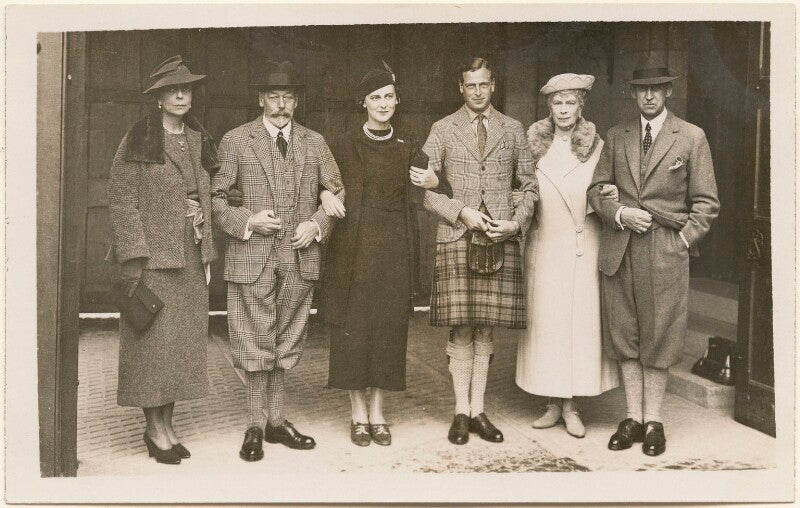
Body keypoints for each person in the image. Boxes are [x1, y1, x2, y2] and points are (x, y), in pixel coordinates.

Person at [211, 61, 344, 462]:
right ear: (260, 99)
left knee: (286, 340)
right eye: (274, 97)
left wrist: (316, 225)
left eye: (288, 97)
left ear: (297, 101)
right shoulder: (236, 140)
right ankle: (255, 424)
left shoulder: (315, 142)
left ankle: (276, 421)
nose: (282, 105)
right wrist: (248, 221)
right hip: (251, 256)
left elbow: (337, 190)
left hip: (299, 257)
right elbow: (216, 197)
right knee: (255, 340)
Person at [588, 54, 719, 456]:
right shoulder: (617, 135)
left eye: (656, 89)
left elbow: (706, 203)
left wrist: (681, 242)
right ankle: (631, 418)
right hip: (621, 246)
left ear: (668, 91)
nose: (649, 96)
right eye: (642, 89)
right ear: (632, 94)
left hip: (665, 249)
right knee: (625, 333)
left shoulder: (691, 137)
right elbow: (596, 191)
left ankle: (654, 422)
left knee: (659, 334)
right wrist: (619, 213)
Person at [319, 62, 451, 447]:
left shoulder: (408, 147)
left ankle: (377, 412)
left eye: (388, 96)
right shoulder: (343, 144)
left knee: (388, 331)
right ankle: (357, 413)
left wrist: (436, 180)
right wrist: (324, 194)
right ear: (363, 102)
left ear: (397, 100)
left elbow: (435, 190)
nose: (382, 103)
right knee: (352, 330)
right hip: (352, 250)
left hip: (394, 251)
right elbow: (318, 182)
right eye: (375, 97)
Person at [107, 55, 218, 464]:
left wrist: (204, 227)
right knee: (152, 347)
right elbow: (122, 199)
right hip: (153, 259)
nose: (181, 96)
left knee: (178, 348)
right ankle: (154, 429)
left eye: (186, 89)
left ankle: (168, 425)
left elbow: (206, 192)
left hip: (190, 253)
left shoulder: (198, 137)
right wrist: (134, 257)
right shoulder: (139, 137)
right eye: (172, 90)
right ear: (158, 98)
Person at [422, 56, 538, 445]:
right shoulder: (442, 129)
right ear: (461, 87)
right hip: (458, 236)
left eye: (483, 84)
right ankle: (460, 412)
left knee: (486, 326)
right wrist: (461, 212)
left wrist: (516, 224)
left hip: (500, 238)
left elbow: (529, 186)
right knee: (461, 326)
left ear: (493, 86)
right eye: (470, 85)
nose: (477, 92)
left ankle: (478, 411)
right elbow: (424, 189)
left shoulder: (513, 129)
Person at [514, 73, 620, 438]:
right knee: (548, 325)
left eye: (570, 102)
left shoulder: (597, 145)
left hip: (583, 243)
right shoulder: (532, 146)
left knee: (578, 326)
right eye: (557, 103)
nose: (563, 110)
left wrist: (608, 199)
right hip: (545, 242)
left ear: (581, 106)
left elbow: (606, 187)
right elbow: (521, 189)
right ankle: (551, 403)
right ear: (549, 106)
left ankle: (573, 406)